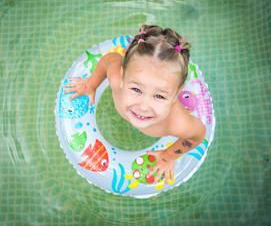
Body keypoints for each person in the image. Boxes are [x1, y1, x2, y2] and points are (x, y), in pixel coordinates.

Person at [64, 25, 206, 185]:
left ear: (177, 93)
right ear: (123, 77)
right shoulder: (116, 78)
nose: (144, 106)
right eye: (137, 89)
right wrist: (91, 85)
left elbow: (198, 135)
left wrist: (169, 155)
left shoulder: (177, 123)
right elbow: (108, 60)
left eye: (159, 95)